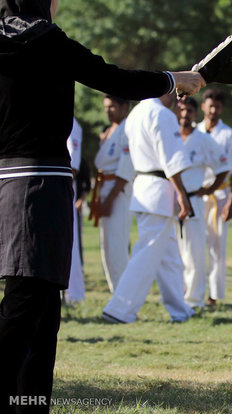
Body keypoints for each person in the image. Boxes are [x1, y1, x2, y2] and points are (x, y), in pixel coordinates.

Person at [0, 0, 204, 410]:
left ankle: (30, 401)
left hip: (10, 183)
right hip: (39, 183)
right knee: (30, 306)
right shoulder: (43, 38)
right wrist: (171, 79)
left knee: (38, 306)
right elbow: (112, 77)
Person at [102, 91, 196, 324]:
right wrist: (182, 194)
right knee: (147, 251)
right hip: (158, 188)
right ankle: (119, 308)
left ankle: (180, 310)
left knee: (168, 256)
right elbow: (171, 158)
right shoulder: (161, 114)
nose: (179, 98)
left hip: (144, 186)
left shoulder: (136, 113)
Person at [173, 97, 228, 308]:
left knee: (194, 252)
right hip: (172, 200)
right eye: (181, 110)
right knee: (174, 253)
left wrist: (209, 189)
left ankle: (194, 299)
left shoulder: (204, 140)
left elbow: (224, 168)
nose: (185, 114)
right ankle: (178, 295)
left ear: (195, 113)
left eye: (188, 111)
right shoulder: (172, 136)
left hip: (194, 199)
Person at [197, 88, 232, 305]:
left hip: (220, 194)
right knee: (194, 244)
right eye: (210, 105)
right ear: (203, 106)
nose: (213, 109)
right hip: (197, 194)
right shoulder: (194, 131)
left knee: (216, 247)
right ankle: (193, 290)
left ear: (221, 109)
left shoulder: (228, 134)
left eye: (217, 106)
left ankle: (214, 294)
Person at [90, 95, 134, 293]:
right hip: (104, 187)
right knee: (106, 245)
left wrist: (109, 200)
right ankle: (116, 292)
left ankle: (123, 295)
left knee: (117, 246)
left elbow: (126, 170)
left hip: (118, 191)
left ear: (124, 106)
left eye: (113, 107)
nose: (108, 111)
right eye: (106, 107)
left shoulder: (127, 129)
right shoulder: (108, 132)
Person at [64, 118, 86, 304]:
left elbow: (74, 166)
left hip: (62, 188)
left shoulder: (72, 123)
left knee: (70, 243)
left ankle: (75, 295)